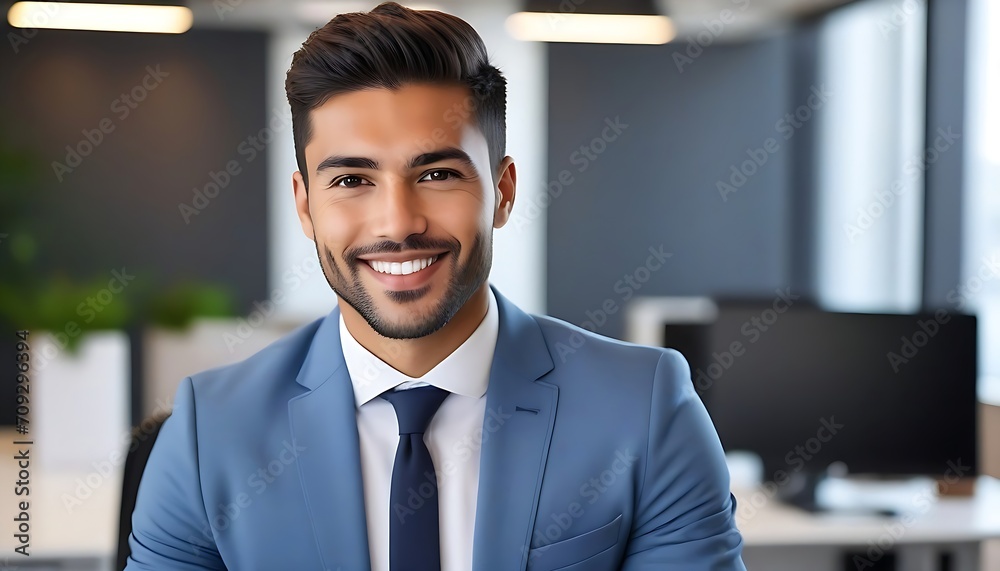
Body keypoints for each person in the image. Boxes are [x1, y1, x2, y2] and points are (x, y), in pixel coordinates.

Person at [125, 3, 746, 570]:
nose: (398, 223)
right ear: (306, 204)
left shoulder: (645, 409)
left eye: (439, 173)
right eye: (350, 181)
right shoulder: (211, 431)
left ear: (502, 192)